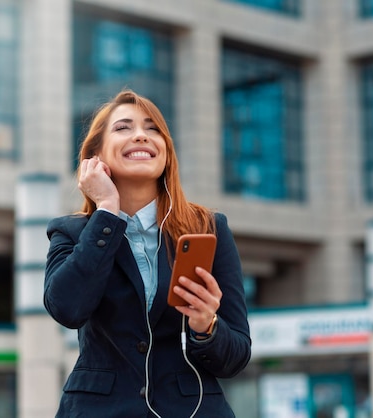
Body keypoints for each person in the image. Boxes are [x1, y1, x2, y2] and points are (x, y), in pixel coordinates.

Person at [44, 89, 251, 417]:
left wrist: (205, 325)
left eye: (153, 129)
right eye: (123, 128)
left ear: (166, 151)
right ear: (95, 156)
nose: (141, 135)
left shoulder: (208, 228)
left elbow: (236, 357)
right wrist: (107, 212)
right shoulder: (72, 232)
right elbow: (67, 309)